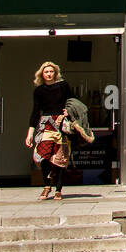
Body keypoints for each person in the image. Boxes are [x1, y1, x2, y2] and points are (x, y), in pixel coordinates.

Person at [25, 60, 72, 201]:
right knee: (43, 155)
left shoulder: (63, 86)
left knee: (60, 158)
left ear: (55, 73)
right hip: (45, 124)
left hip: (61, 124)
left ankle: (58, 189)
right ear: (42, 74)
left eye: (51, 71)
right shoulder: (39, 90)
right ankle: (47, 185)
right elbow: (35, 111)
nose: (49, 74)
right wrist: (30, 133)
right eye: (46, 72)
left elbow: (73, 101)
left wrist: (67, 112)